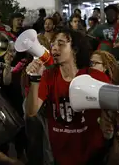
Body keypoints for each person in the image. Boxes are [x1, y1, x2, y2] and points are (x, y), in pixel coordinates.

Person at [25, 29, 110, 165]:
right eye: (52, 44)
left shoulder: (96, 76)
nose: (54, 48)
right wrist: (35, 78)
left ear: (75, 50)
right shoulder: (48, 76)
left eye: (61, 43)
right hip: (61, 155)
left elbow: (112, 107)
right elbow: (31, 111)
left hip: (93, 154)